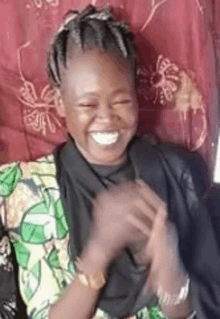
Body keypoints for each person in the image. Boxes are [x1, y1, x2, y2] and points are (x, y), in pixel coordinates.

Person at [0, 4, 220, 319]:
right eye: (88, 104)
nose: (107, 119)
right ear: (59, 104)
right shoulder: (28, 191)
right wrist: (98, 252)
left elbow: (193, 313)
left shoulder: (178, 173)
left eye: (121, 101)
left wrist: (169, 268)